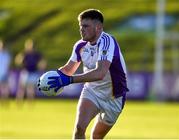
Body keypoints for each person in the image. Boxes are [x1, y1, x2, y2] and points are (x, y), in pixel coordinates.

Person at [46, 9, 129, 139]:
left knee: (96, 136)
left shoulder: (107, 41)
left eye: (85, 26)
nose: (81, 29)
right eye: (80, 26)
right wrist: (52, 77)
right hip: (92, 92)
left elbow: (100, 73)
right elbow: (69, 69)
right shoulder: (80, 45)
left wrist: (69, 80)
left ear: (98, 27)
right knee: (79, 128)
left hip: (114, 96)